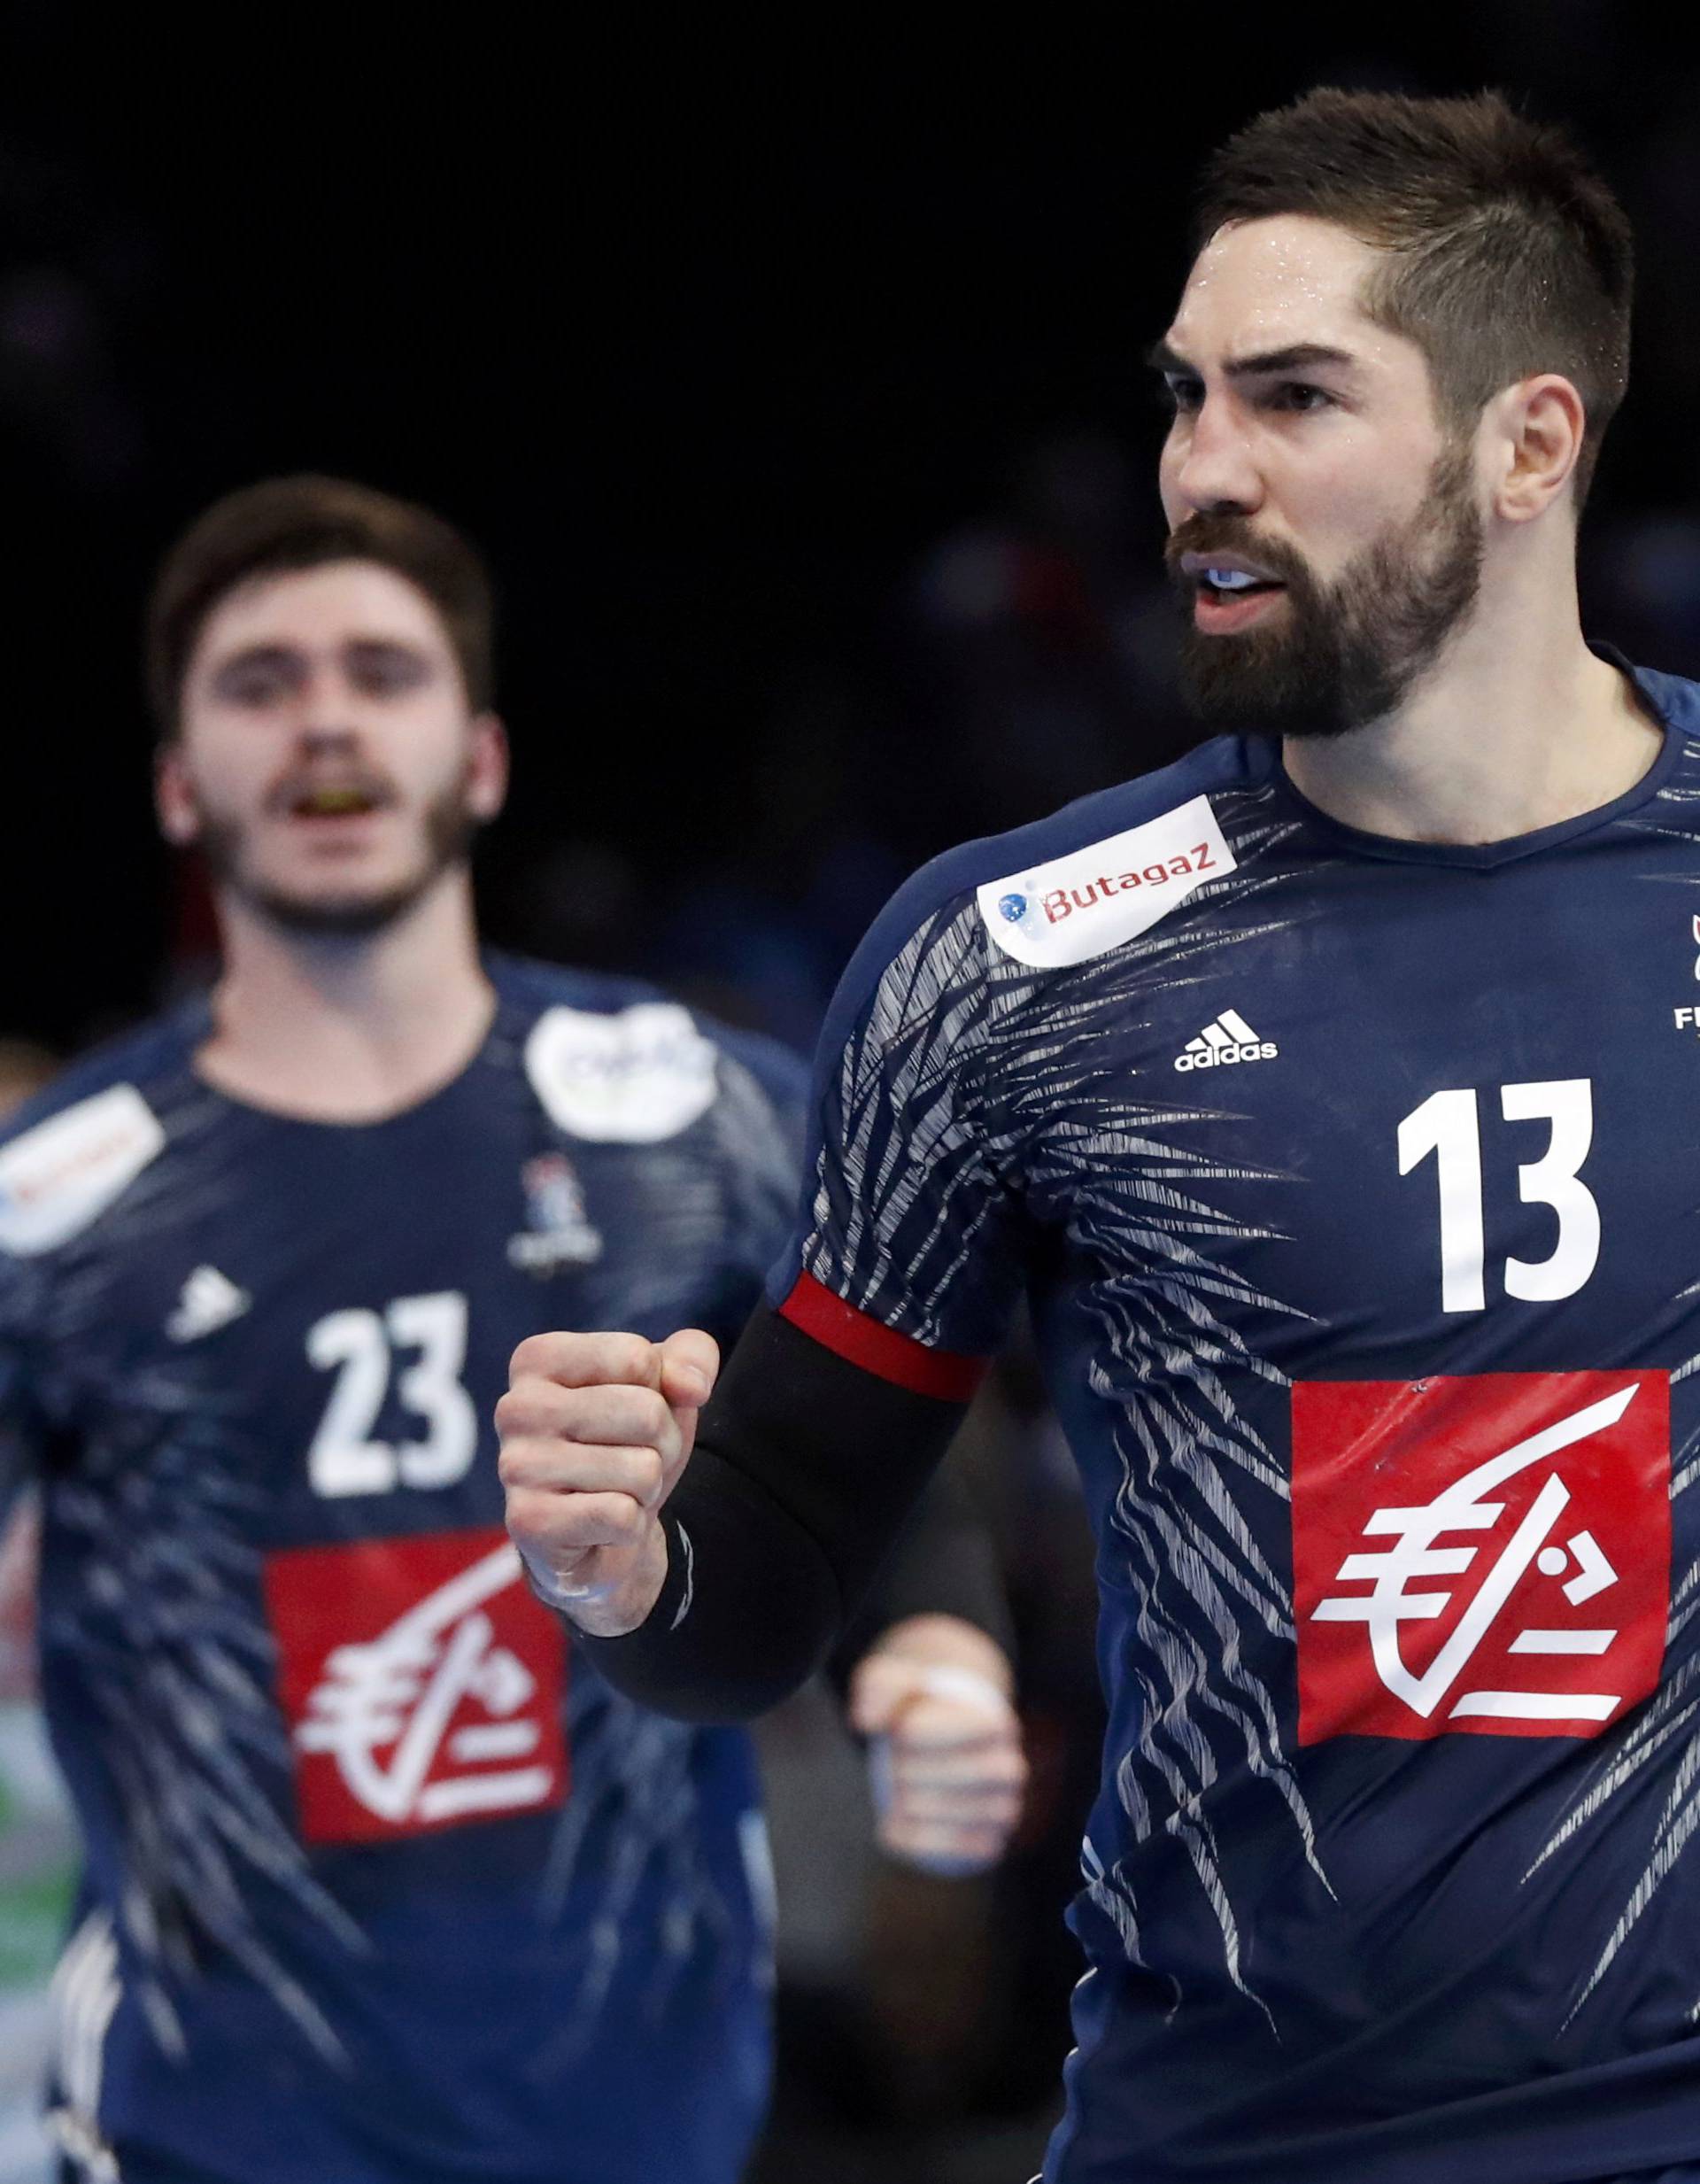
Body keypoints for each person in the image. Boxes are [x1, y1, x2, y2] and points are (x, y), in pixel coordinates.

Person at [499, 88, 1700, 2184]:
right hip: (1236, 2140)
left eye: (1295, 396)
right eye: (1185, 398)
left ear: (1533, 445)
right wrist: (631, 1563)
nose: (1201, 474)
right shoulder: (1012, 963)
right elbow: (766, 1572)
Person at [0, 475, 1026, 2184]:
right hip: (207, 2135)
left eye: (381, 672)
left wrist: (936, 1647)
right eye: (262, 682)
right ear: (181, 785)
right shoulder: (46, 1213)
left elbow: (877, 1447)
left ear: (478, 758)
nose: (325, 718)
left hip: (641, 2119)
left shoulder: (697, 1119)